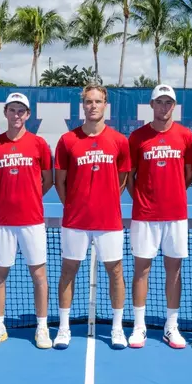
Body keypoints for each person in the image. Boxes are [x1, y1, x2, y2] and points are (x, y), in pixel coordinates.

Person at [53, 83, 131, 350]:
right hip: (75, 222)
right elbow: (59, 181)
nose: (93, 106)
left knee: (116, 271)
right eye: (89, 102)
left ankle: (118, 328)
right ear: (82, 105)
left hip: (109, 221)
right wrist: (73, 205)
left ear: (105, 105)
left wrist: (106, 201)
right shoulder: (67, 140)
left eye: (98, 101)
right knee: (68, 271)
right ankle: (63, 328)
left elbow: (122, 179)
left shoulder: (119, 140)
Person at [0, 92, 54, 349]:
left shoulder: (39, 144)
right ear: (5, 113)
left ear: (28, 115)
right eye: (12, 110)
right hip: (3, 222)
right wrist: (5, 199)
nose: (16, 115)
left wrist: (29, 198)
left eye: (21, 111)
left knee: (39, 275)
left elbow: (48, 179)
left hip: (32, 221)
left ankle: (42, 327)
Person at [126, 84, 192, 349]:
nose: (164, 107)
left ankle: (171, 326)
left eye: (168, 102)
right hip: (145, 216)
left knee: (173, 271)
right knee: (141, 270)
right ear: (151, 105)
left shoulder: (186, 136)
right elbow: (129, 177)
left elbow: (189, 173)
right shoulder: (137, 137)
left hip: (176, 216)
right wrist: (142, 198)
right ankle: (139, 326)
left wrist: (175, 193)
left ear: (173, 107)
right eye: (159, 102)